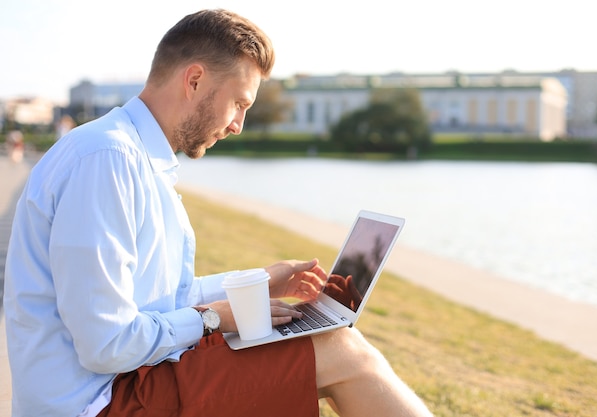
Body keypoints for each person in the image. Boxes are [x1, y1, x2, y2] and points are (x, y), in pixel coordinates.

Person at [3, 9, 434, 417]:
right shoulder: (107, 160)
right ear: (194, 80)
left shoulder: (133, 157)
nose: (238, 126)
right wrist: (214, 319)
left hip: (124, 381)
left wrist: (261, 282)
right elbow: (107, 344)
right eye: (239, 104)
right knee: (343, 353)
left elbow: (159, 299)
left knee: (332, 340)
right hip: (99, 401)